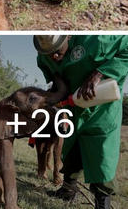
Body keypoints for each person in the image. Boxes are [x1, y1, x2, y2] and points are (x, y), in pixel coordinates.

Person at [34, 35, 128, 209]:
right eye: (48, 53)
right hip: (73, 107)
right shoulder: (44, 51)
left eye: (57, 51)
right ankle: (67, 190)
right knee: (70, 149)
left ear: (68, 37)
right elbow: (53, 73)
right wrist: (58, 87)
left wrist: (100, 73)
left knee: (102, 156)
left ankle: (103, 202)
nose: (53, 56)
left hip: (101, 107)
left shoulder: (98, 39)